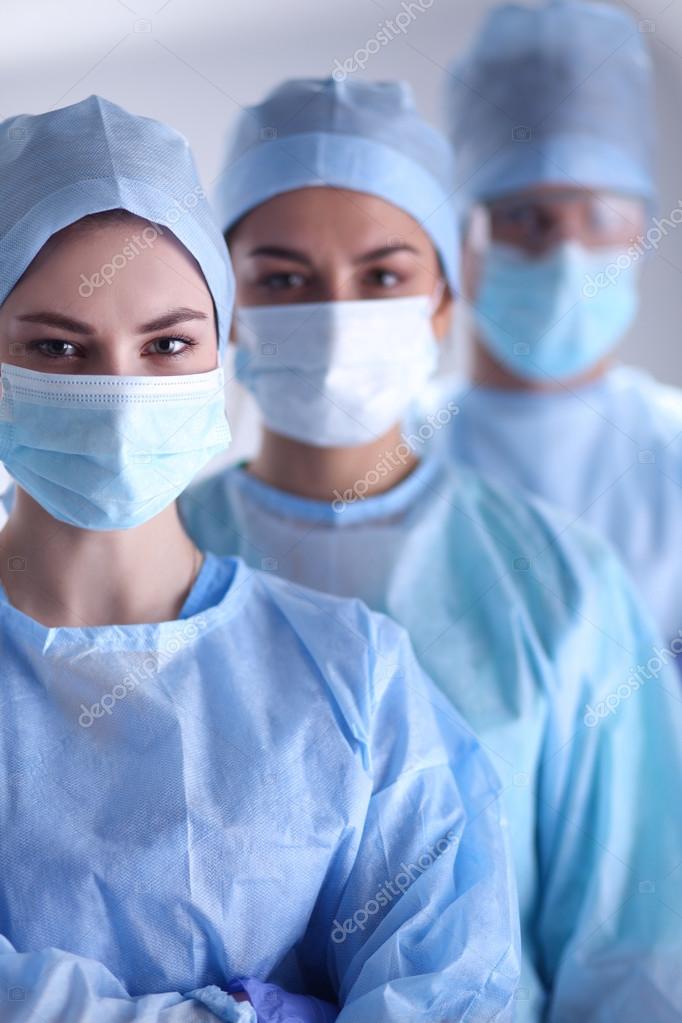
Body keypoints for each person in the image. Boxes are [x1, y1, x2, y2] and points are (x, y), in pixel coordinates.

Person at [0, 95, 522, 1022]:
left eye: (166, 343)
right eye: (56, 346)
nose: (120, 394)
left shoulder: (354, 673)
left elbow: (450, 989)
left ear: (221, 346)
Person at [180, 78, 682, 1022]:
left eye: (382, 276)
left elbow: (637, 946)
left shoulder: (561, 586)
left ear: (448, 297)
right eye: (282, 278)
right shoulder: (144, 563)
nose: (334, 314)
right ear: (225, 304)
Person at [420, 0, 682, 665]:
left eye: (599, 216)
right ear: (460, 238)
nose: (566, 255)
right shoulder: (394, 451)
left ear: (642, 234)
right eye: (525, 216)